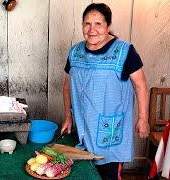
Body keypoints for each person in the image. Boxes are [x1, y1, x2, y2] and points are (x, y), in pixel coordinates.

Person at [60, 3, 150, 180]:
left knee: (108, 175)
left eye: (98, 24)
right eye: (87, 24)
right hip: (84, 130)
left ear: (108, 26)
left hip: (111, 134)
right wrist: (68, 116)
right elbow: (67, 86)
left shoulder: (124, 51)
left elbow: (141, 85)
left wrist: (143, 118)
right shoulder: (75, 52)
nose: (92, 29)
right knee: (85, 175)